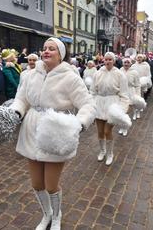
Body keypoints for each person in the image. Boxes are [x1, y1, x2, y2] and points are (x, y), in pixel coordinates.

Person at [10, 38, 96, 230]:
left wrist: (79, 124)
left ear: (61, 54)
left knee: (51, 185)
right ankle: (46, 214)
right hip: (31, 130)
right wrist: (16, 112)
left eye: (52, 49)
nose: (46, 51)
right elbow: (21, 98)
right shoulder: (30, 75)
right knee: (37, 183)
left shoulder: (71, 77)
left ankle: (56, 216)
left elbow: (88, 104)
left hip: (55, 132)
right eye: (44, 48)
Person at [90, 52, 129, 165]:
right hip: (99, 103)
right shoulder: (97, 73)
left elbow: (124, 94)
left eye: (110, 60)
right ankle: (102, 151)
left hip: (112, 105)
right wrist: (91, 105)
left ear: (114, 61)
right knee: (100, 131)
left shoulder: (120, 74)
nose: (107, 62)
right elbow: (92, 91)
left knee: (108, 131)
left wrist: (122, 109)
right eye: (106, 59)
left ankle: (110, 153)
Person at [120, 57, 141, 129]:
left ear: (130, 63)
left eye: (128, 62)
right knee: (123, 108)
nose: (126, 64)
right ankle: (124, 124)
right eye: (125, 62)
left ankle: (135, 113)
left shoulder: (134, 72)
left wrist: (138, 94)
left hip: (131, 90)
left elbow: (137, 84)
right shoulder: (120, 71)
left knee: (132, 105)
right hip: (122, 91)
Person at [131, 54, 152, 118]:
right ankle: (135, 111)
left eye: (140, 57)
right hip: (135, 84)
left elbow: (148, 75)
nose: (139, 59)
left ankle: (140, 109)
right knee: (135, 98)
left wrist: (146, 81)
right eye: (138, 57)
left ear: (142, 58)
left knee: (141, 97)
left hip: (143, 83)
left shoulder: (146, 65)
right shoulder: (134, 66)